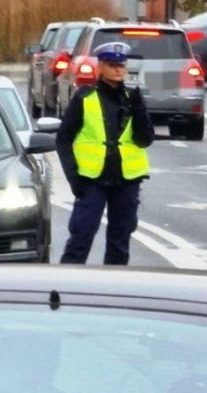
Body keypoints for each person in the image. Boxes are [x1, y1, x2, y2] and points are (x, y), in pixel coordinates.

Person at [56, 42, 154, 265]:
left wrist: (139, 107)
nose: (118, 70)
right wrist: (74, 178)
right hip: (92, 181)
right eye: (112, 65)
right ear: (100, 67)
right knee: (81, 237)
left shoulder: (132, 98)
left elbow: (144, 139)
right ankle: (65, 286)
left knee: (120, 242)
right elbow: (63, 139)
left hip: (127, 180)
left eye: (121, 65)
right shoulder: (85, 98)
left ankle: (114, 290)